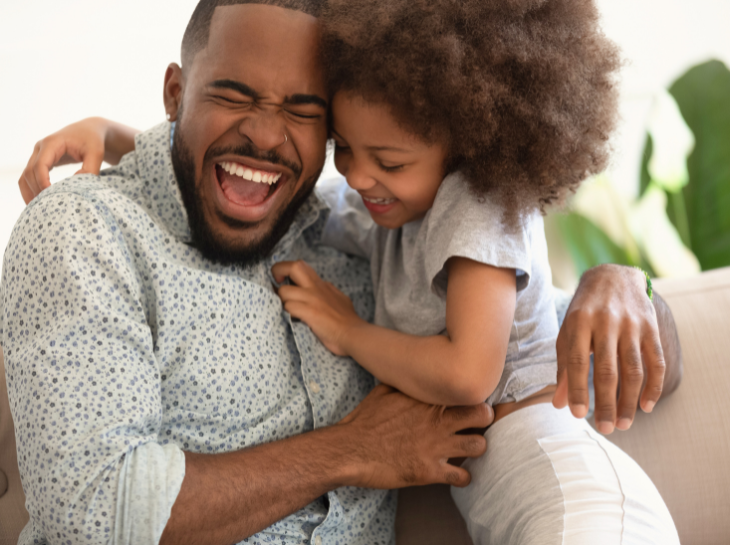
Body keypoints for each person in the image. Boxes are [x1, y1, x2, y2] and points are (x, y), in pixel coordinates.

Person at [6, 1, 682, 544]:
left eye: (304, 112)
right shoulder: (87, 229)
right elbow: (90, 513)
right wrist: (352, 450)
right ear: (176, 94)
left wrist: (621, 283)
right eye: (233, 96)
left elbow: (554, 352)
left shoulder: (352, 231)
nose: (267, 136)